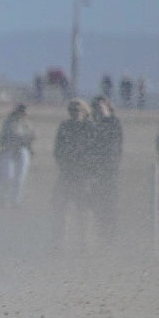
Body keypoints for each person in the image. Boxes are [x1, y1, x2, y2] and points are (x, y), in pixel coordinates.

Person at [52, 99, 99, 246]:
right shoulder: (65, 126)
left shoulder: (90, 127)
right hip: (67, 171)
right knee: (61, 205)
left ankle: (85, 240)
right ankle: (61, 238)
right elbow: (58, 149)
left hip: (84, 173)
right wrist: (64, 163)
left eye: (77, 111)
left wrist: (88, 167)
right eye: (71, 111)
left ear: (84, 112)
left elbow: (95, 150)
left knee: (83, 206)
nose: (74, 114)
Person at [89, 97, 123, 238]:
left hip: (109, 168)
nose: (98, 111)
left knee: (109, 201)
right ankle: (98, 232)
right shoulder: (93, 124)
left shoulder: (113, 122)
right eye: (95, 108)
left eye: (100, 107)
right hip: (95, 169)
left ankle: (109, 233)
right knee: (95, 201)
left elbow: (114, 146)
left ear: (107, 107)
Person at [0, 103, 35, 210]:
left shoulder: (27, 123)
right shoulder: (9, 122)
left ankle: (16, 201)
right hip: (9, 149)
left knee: (20, 178)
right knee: (8, 176)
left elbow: (31, 136)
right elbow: (3, 138)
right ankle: (3, 200)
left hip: (22, 150)